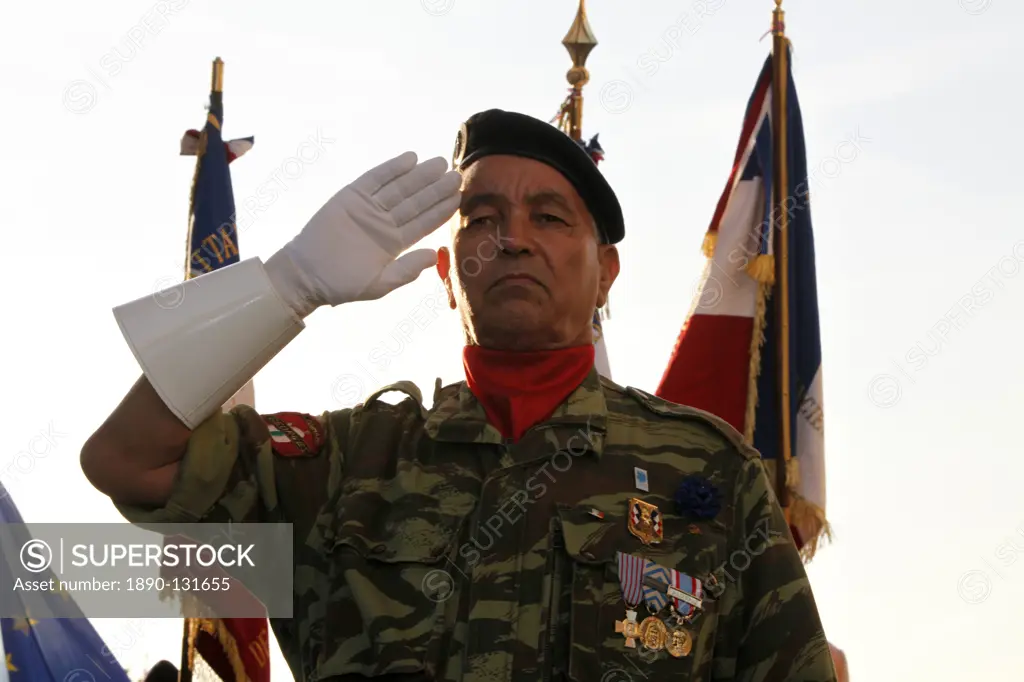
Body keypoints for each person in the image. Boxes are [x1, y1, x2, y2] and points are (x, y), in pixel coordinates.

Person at [81, 109, 838, 682]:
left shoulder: (706, 471)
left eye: (549, 217)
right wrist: (286, 286)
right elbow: (127, 460)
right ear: (447, 273)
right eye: (482, 219)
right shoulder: (343, 465)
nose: (512, 239)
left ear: (606, 272)